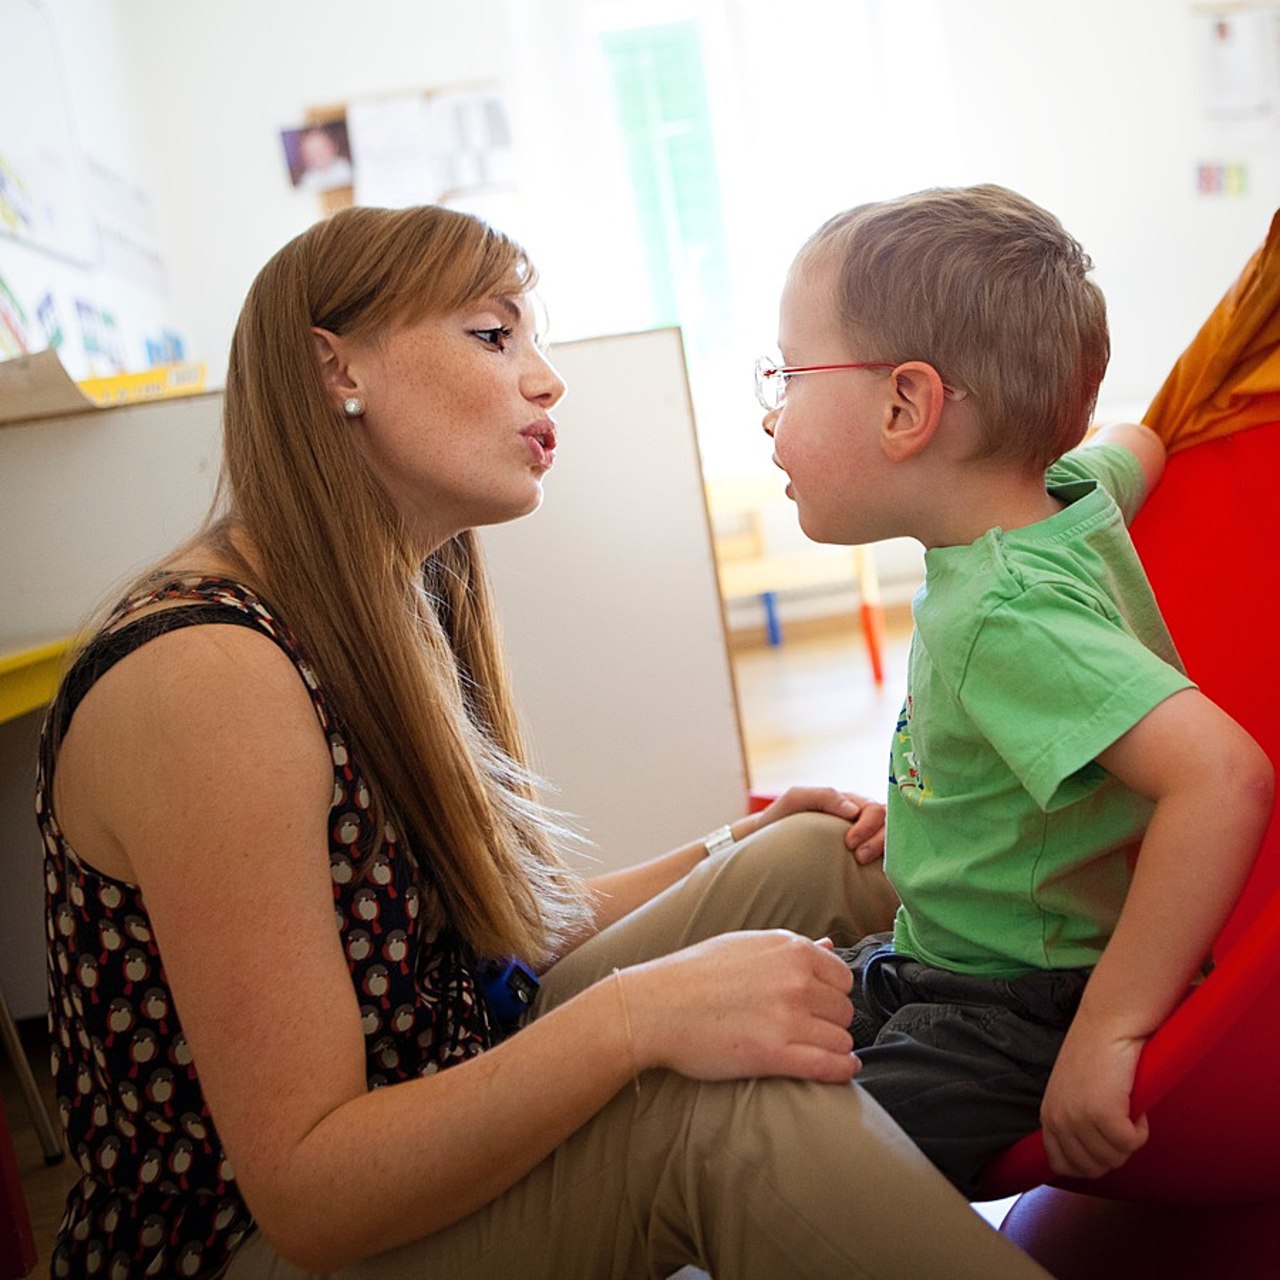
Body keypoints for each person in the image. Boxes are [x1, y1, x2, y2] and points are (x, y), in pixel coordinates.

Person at [38, 203, 1053, 1280]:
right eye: (492, 335)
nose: (544, 378)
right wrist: (642, 1016)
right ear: (334, 368)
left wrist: (727, 845)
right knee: (714, 1117)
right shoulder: (206, 672)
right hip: (240, 1250)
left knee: (816, 853)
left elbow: (481, 938)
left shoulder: (382, 596)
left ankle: (1069, 985)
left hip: (449, 1067)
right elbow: (311, 1191)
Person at [759, 183, 1275, 1200]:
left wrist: (1109, 1028)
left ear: (905, 406)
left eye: (787, 375)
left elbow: (1222, 775)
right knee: (763, 1030)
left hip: (1018, 1002)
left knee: (789, 1172)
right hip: (946, 951)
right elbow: (1142, 441)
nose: (771, 412)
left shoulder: (1003, 614)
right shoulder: (1071, 497)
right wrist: (939, 804)